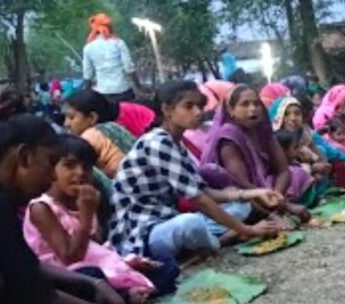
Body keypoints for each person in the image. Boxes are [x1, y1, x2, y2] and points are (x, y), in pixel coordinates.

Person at [0, 114, 169, 304]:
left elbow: (29, 267)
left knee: (89, 279)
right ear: (25, 157)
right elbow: (41, 299)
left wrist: (92, 284)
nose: (51, 177)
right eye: (51, 164)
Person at [109, 80, 283, 261]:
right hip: (141, 234)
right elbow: (199, 200)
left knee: (241, 205)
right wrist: (248, 229)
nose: (198, 112)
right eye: (189, 106)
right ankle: (220, 240)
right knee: (191, 223)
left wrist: (254, 193)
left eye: (199, 106)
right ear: (167, 110)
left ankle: (208, 242)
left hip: (167, 220)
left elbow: (204, 191)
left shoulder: (176, 143)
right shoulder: (158, 143)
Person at [23, 135, 163, 304]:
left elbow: (95, 248)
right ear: (52, 170)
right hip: (70, 276)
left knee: (165, 265)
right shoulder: (41, 207)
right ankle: (126, 296)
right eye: (70, 165)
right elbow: (71, 257)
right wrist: (87, 215)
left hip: (97, 266)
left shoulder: (83, 201)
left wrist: (126, 262)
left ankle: (129, 292)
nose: (80, 173)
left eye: (87, 167)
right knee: (91, 275)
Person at [199, 84, 314, 218]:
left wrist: (277, 194)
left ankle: (277, 206)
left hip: (266, 187)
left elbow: (283, 170)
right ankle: (273, 211)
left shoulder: (262, 129)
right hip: (241, 192)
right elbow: (240, 183)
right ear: (231, 110)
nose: (253, 109)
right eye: (245, 104)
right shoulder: (229, 135)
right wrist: (276, 201)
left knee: (299, 173)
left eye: (256, 103)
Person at [63, 89, 136, 178]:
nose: (66, 124)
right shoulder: (113, 127)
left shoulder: (90, 136)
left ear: (92, 118)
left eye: (71, 117)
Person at [82, 13, 143, 103]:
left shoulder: (88, 47)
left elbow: (87, 75)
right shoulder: (119, 43)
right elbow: (129, 68)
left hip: (103, 93)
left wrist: (86, 94)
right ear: (109, 27)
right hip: (123, 91)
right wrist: (139, 88)